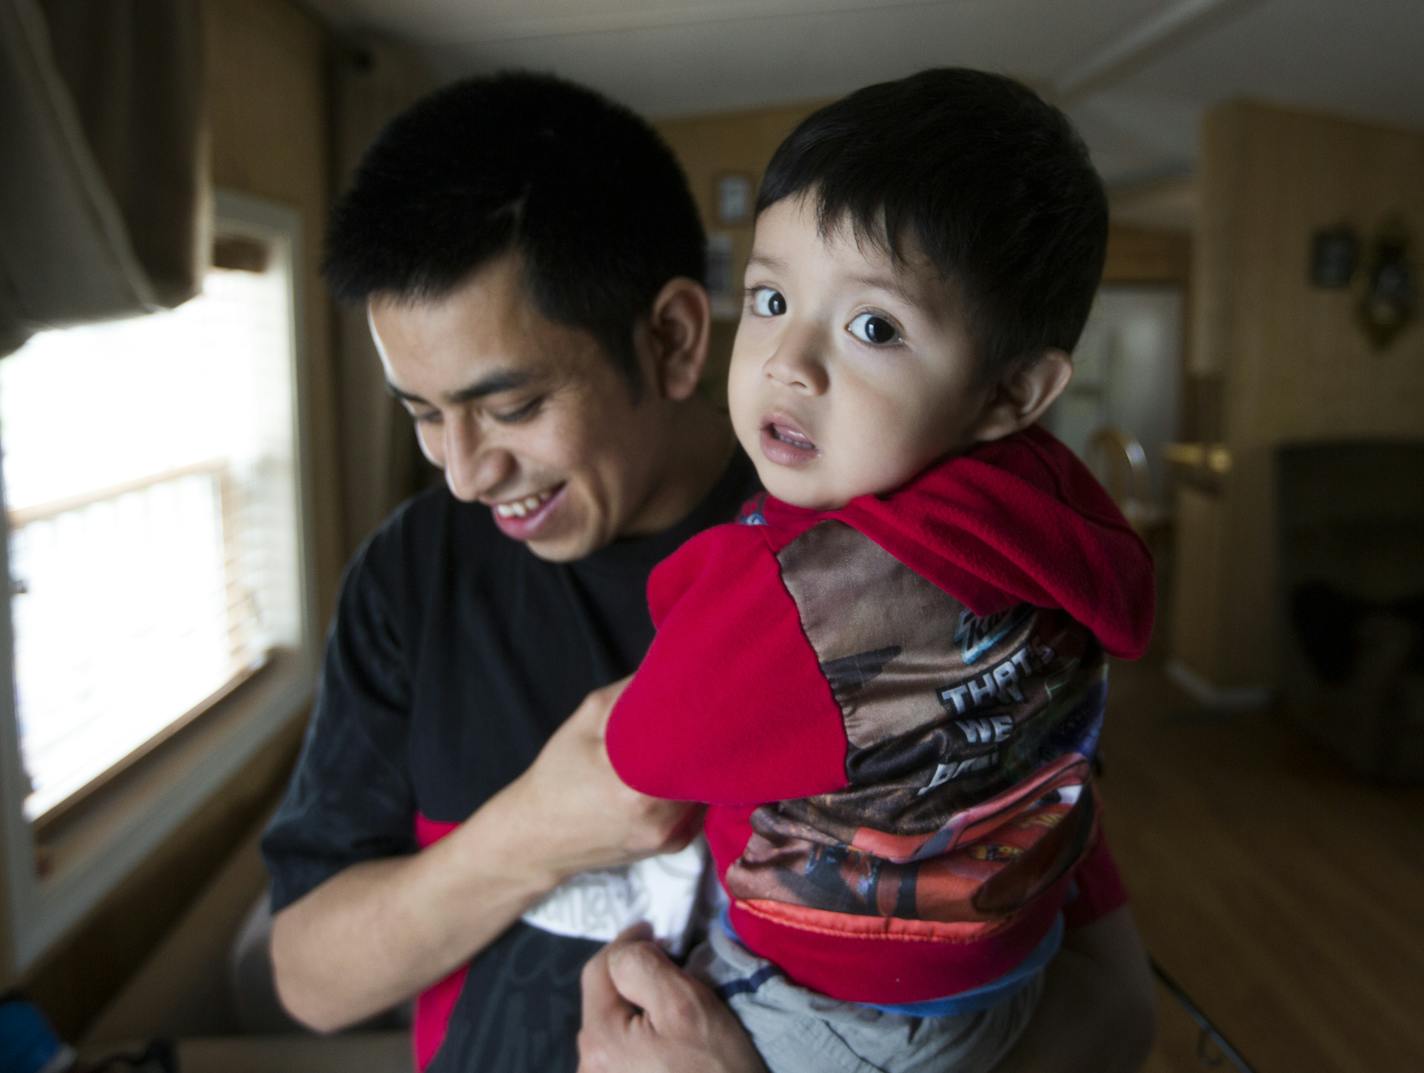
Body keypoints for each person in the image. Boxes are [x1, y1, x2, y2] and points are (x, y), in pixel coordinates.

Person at [260, 70, 1154, 1073]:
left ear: (674, 337)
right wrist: (531, 834)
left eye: (508, 407)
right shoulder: (408, 573)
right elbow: (310, 977)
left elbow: (1113, 1006)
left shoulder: (911, 560)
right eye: (422, 413)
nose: (464, 473)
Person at [604, 68, 1154, 1073]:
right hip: (1001, 963)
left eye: (873, 327)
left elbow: (643, 749)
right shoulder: (1047, 503)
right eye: (770, 298)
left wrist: (733, 573)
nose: (787, 360)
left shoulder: (821, 595)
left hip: (828, 1007)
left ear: (1009, 389)